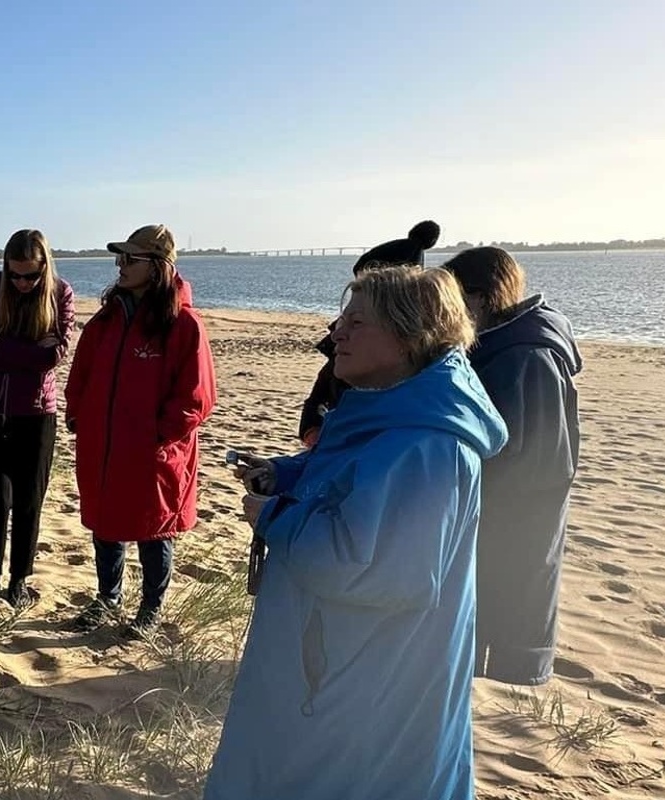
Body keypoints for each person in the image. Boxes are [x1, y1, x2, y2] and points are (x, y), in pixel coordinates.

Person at [203, 266, 508, 800]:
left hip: (362, 675)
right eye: (340, 318)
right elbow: (351, 477)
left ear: (411, 336)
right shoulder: (386, 412)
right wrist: (287, 474)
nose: (335, 333)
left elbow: (381, 573)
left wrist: (274, 517)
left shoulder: (428, 446)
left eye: (356, 322)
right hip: (332, 661)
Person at [63, 224, 216, 635]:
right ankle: (107, 598)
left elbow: (197, 398)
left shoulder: (183, 325)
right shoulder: (108, 319)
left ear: (158, 266)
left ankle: (150, 608)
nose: (121, 265)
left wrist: (158, 436)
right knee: (105, 524)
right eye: (120, 258)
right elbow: (81, 374)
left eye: (131, 259)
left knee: (154, 530)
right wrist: (78, 414)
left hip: (152, 452)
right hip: (103, 444)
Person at [443, 247, 582, 685]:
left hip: (516, 509)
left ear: (480, 299)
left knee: (508, 595)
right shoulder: (504, 347)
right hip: (504, 502)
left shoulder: (526, 355)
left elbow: (539, 453)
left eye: (452, 299)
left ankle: (503, 670)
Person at [0, 229, 76, 610]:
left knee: (30, 501)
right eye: (15, 274)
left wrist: (3, 346)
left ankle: (19, 582)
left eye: (30, 275)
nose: (22, 282)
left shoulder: (61, 292)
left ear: (44, 266)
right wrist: (26, 349)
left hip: (37, 414)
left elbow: (54, 354)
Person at [297, 220, 440, 447]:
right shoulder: (346, 347)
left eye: (358, 320)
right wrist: (313, 436)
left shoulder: (424, 404)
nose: (338, 335)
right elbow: (318, 397)